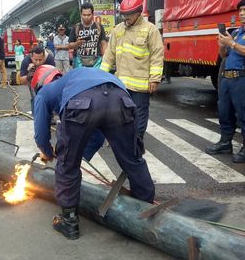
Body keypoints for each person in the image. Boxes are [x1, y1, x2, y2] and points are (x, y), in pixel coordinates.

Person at [32, 66, 155, 240]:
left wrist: (50, 153)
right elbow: (96, 132)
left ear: (40, 83)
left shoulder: (45, 92)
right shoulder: (78, 76)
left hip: (83, 103)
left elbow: (40, 134)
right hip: (121, 99)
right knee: (133, 159)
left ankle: (69, 222)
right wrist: (80, 152)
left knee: (67, 165)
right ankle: (145, 208)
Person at [205, 0, 245, 163]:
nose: (241, 13)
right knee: (224, 112)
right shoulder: (237, 32)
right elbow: (225, 55)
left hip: (243, 79)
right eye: (240, 10)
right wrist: (223, 46)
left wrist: (232, 43)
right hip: (227, 79)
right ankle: (225, 143)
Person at [100, 0, 164, 154]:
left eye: (129, 15)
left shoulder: (150, 30)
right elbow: (109, 55)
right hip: (121, 85)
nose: (126, 18)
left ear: (138, 12)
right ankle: (125, 143)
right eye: (124, 15)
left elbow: (157, 54)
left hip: (141, 86)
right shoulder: (118, 30)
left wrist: (155, 79)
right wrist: (101, 76)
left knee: (139, 118)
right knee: (120, 116)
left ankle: (136, 145)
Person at [18, 45, 56, 113]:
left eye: (40, 60)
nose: (38, 62)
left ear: (44, 57)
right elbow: (22, 81)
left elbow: (55, 78)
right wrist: (28, 75)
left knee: (48, 97)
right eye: (36, 60)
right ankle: (36, 115)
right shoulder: (26, 60)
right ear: (31, 57)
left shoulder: (49, 59)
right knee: (35, 97)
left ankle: (49, 115)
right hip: (33, 82)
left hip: (46, 81)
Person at [68, 2, 107, 68]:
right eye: (84, 15)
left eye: (88, 15)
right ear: (81, 14)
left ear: (93, 14)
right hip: (79, 62)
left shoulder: (99, 26)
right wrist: (77, 44)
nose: (86, 17)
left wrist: (105, 58)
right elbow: (70, 45)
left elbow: (103, 44)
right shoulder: (76, 27)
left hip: (96, 61)